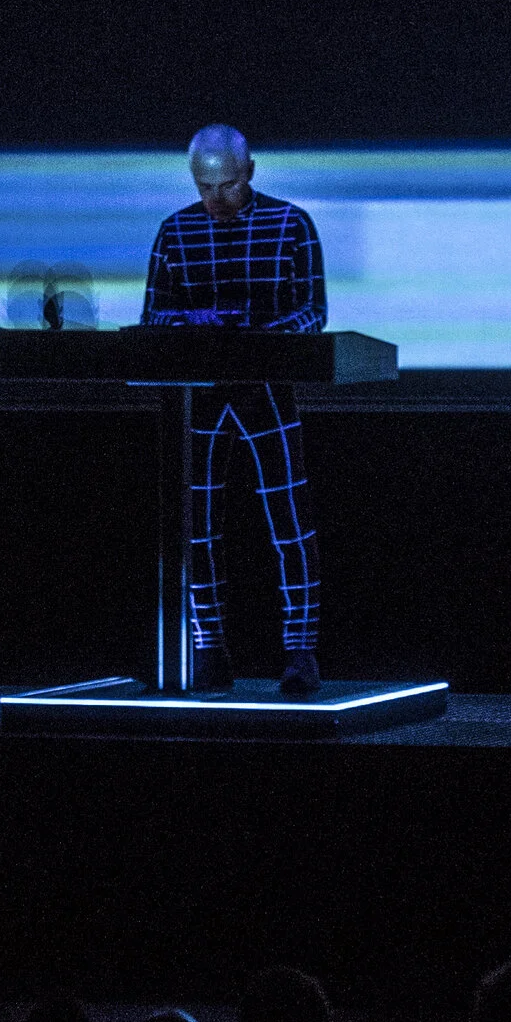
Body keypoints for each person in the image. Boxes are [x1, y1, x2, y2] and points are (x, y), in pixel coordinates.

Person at [141, 124, 326, 697]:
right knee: (195, 528)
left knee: (289, 523)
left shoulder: (290, 224)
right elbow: (153, 315)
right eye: (204, 187)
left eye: (227, 185)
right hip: (196, 393)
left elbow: (313, 311)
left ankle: (300, 651)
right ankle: (208, 649)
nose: (215, 199)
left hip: (264, 386)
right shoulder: (175, 230)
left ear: (250, 173)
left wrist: (257, 336)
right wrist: (197, 323)